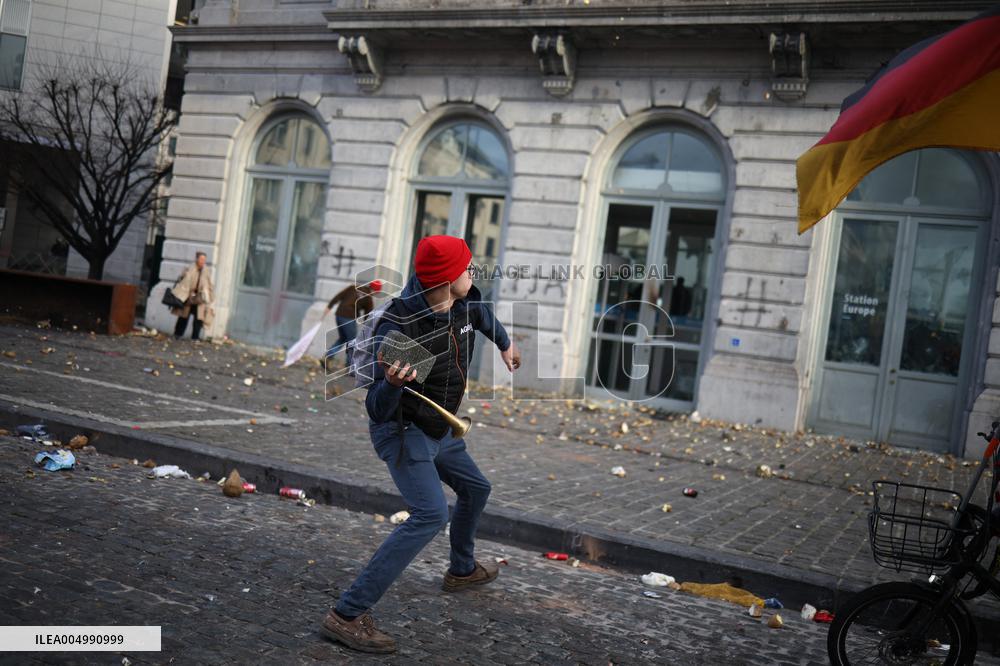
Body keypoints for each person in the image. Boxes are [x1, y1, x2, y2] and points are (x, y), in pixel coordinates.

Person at [320, 235, 521, 654]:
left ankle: (461, 570)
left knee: (476, 488)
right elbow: (377, 409)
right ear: (448, 279)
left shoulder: (463, 303)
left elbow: (484, 317)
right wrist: (392, 384)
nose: (473, 273)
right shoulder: (402, 328)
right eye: (468, 268)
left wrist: (506, 344)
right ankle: (347, 615)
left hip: (441, 427)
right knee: (430, 515)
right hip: (404, 432)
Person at [323, 280, 381, 367]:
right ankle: (350, 366)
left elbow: (338, 296)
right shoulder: (369, 298)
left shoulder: (354, 287)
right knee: (352, 342)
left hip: (339, 315)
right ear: (376, 291)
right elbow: (368, 316)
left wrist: (329, 307)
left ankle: (328, 356)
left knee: (343, 338)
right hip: (348, 318)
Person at [171, 252, 214, 340]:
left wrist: (209, 296)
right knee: (184, 316)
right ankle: (178, 334)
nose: (203, 261)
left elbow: (209, 284)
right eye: (201, 259)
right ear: (197, 259)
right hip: (189, 296)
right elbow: (183, 280)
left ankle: (195, 337)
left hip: (200, 297)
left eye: (204, 260)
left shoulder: (206, 270)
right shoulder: (190, 268)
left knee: (199, 318)